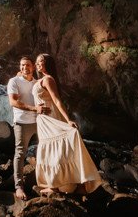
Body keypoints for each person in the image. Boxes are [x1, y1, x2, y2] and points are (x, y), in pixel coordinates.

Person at [33, 53, 102, 195]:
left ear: (48, 64)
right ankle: (57, 184)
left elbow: (57, 101)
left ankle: (71, 185)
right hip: (43, 120)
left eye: (41, 62)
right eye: (37, 61)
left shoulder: (48, 80)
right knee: (51, 151)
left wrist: (68, 119)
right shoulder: (40, 80)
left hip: (51, 118)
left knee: (57, 150)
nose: (38, 64)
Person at [7, 56, 47, 200]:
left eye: (28, 65)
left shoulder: (37, 83)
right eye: (22, 65)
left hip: (39, 122)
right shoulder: (14, 81)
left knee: (43, 152)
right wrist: (34, 108)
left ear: (33, 67)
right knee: (20, 153)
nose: (25, 68)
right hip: (21, 123)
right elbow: (13, 102)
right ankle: (19, 187)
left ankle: (45, 181)